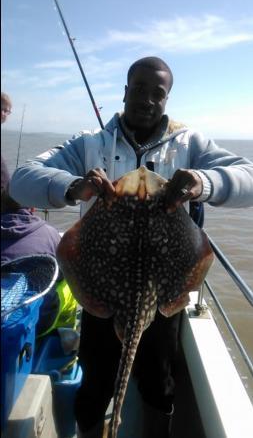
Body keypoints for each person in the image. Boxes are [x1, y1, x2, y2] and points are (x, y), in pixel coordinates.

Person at [9, 56, 253, 438]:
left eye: (158, 93)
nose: (148, 99)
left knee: (159, 383)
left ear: (167, 99)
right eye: (139, 89)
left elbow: (248, 176)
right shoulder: (90, 143)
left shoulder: (190, 143)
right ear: (125, 91)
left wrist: (202, 182)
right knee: (96, 383)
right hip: (103, 288)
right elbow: (22, 181)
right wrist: (75, 186)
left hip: (162, 288)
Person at [1, 164, 77, 337]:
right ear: (33, 207)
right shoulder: (50, 235)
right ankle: (65, 336)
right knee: (67, 281)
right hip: (38, 324)